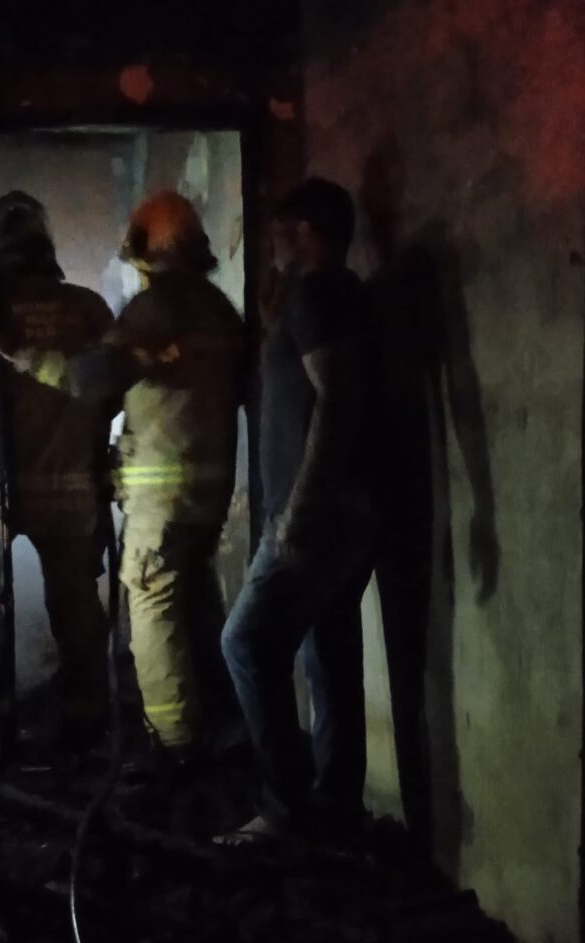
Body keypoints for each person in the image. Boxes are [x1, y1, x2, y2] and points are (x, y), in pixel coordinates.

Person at [0, 191, 249, 762]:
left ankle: (171, 748)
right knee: (179, 608)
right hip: (189, 492)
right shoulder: (218, 311)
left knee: (151, 612)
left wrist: (21, 355)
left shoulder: (147, 311)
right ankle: (193, 726)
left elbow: (93, 380)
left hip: (135, 493)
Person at [218, 177, 379, 845]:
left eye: (283, 232)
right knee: (330, 653)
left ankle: (284, 810)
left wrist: (299, 513)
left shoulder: (315, 294)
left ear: (307, 231)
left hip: (316, 514)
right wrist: (270, 328)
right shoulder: (343, 295)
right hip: (352, 512)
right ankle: (336, 807)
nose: (275, 245)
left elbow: (335, 398)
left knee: (246, 644)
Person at [0, 192, 116, 750]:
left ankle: (13, 713)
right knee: (74, 601)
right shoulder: (88, 308)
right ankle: (89, 708)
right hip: (76, 486)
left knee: (1, 605)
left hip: (3, 488)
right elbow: (113, 387)